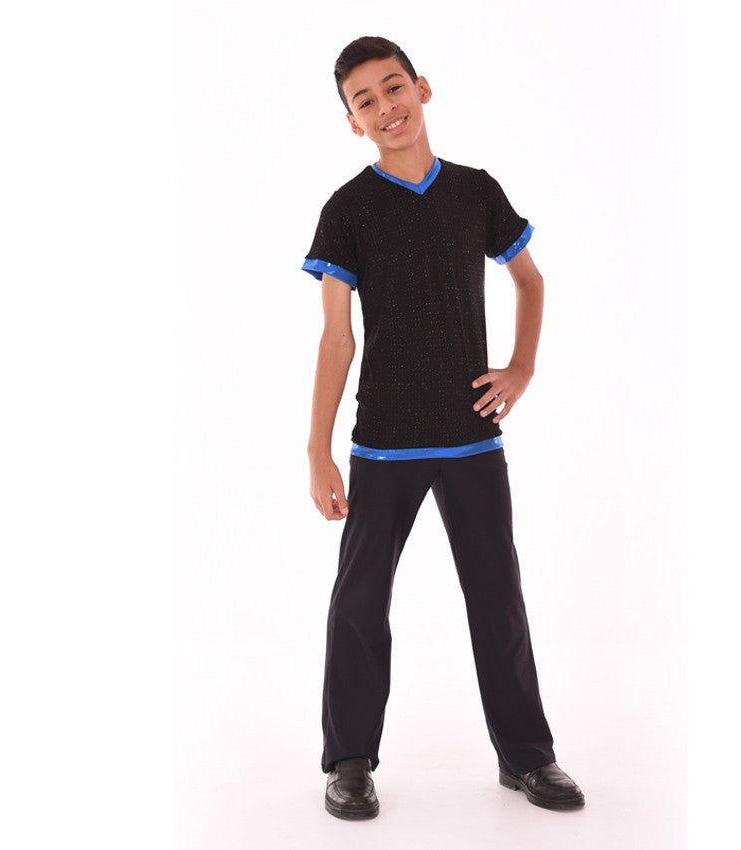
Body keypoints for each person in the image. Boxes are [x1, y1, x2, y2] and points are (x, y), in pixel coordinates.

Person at [302, 35, 585, 820]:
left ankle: (528, 757)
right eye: (365, 100)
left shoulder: (475, 192)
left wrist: (521, 367)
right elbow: (336, 339)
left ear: (422, 89)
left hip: (471, 438)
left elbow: (529, 279)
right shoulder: (348, 210)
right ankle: (349, 761)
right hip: (384, 442)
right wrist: (318, 449)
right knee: (360, 602)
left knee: (498, 598)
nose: (385, 106)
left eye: (394, 87)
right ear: (353, 122)